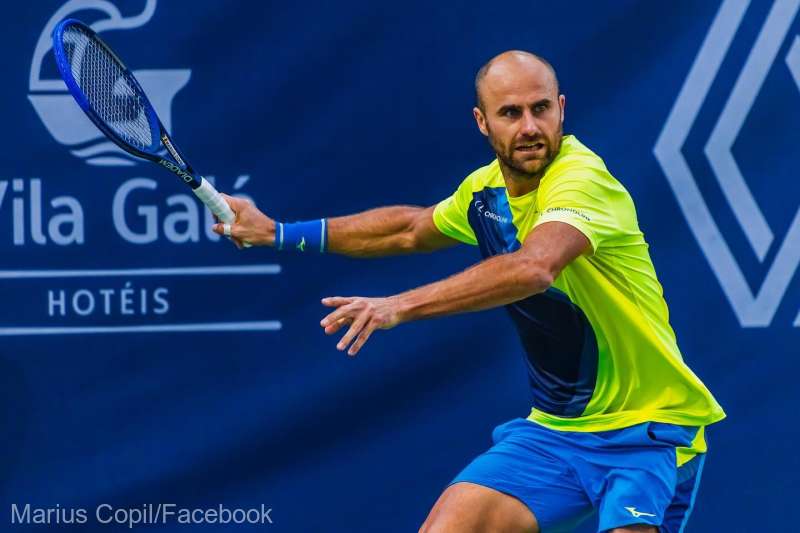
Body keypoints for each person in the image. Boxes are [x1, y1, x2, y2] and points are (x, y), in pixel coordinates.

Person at [212, 50, 725, 533]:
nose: (529, 127)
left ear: (561, 109)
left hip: (649, 431)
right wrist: (277, 232)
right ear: (482, 122)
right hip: (555, 433)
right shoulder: (484, 194)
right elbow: (409, 230)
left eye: (540, 108)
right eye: (510, 113)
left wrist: (400, 306)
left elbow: (533, 268)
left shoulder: (583, 180)